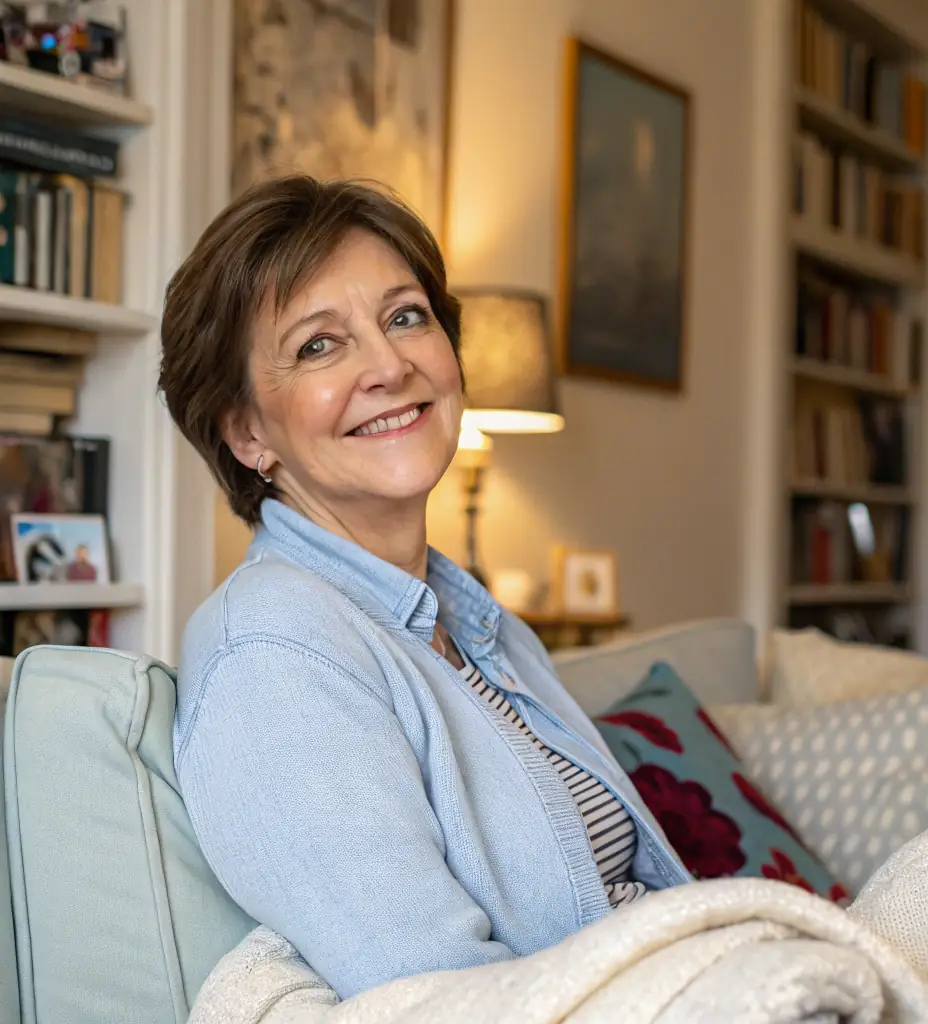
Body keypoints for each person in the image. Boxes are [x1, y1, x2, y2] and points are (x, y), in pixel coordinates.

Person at [160, 175, 690, 1002]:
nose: (390, 365)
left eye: (406, 317)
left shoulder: (472, 619)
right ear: (246, 430)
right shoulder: (273, 652)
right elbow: (433, 996)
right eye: (318, 345)